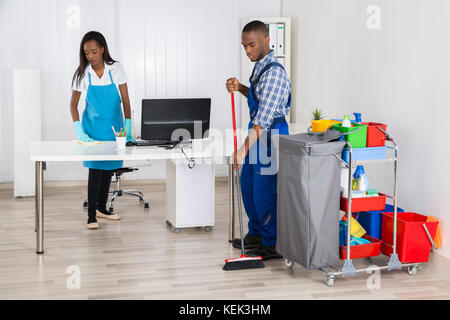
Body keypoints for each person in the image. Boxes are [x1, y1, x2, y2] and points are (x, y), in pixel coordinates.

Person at [226, 21, 291, 260]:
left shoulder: (275, 73)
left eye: (252, 45)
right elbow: (258, 98)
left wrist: (242, 150)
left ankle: (271, 243)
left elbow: (263, 119)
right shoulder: (261, 68)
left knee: (264, 192)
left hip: (270, 138)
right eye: (244, 46)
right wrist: (241, 87)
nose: (248, 51)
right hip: (258, 137)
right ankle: (256, 234)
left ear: (266, 40)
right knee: (248, 187)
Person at [70, 31, 134, 229]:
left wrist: (129, 127)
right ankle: (91, 216)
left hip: (114, 130)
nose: (90, 56)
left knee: (108, 169)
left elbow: (125, 100)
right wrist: (79, 131)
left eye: (94, 51)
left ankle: (102, 209)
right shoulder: (83, 74)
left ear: (103, 49)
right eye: (87, 53)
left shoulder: (116, 69)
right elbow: (73, 105)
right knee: (95, 171)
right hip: (93, 131)